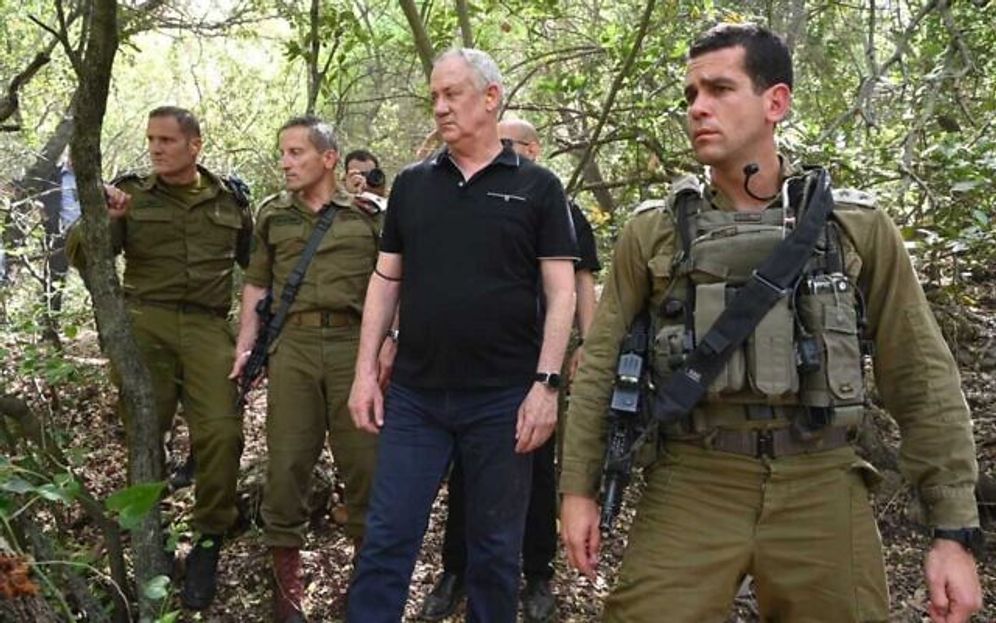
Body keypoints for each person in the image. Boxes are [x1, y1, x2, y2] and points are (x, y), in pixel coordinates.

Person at [560, 23, 983, 623]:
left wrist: (953, 531)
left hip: (822, 479)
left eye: (719, 89)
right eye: (690, 95)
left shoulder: (852, 228)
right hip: (693, 479)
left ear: (775, 102)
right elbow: (600, 363)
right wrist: (577, 489)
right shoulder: (651, 232)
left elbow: (919, 372)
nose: (698, 107)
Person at [346, 49, 578, 623]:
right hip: (417, 399)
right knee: (386, 540)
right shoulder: (413, 185)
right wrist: (364, 371)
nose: (440, 107)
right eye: (434, 97)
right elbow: (385, 281)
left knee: (495, 554)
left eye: (452, 94)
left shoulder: (539, 189)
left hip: (503, 401)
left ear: (491, 98)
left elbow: (563, 292)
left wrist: (546, 385)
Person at [66, 106, 253, 610]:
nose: (155, 148)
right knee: (145, 433)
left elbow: (259, 262)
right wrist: (102, 219)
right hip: (145, 321)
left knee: (222, 432)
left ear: (195, 145)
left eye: (167, 140)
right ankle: (152, 537)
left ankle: (209, 537)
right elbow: (85, 259)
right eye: (151, 139)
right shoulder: (132, 195)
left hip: (208, 325)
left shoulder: (230, 200)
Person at [418, 117, 601, 623]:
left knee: (539, 468)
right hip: (477, 365)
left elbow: (581, 281)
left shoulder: (561, 206)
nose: (500, 151)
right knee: (467, 472)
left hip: (541, 364)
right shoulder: (472, 200)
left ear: (534, 149)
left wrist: (589, 345)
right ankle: (455, 568)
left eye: (512, 144)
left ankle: (537, 572)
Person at [230, 115, 383, 623]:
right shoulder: (273, 216)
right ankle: (287, 593)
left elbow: (396, 281)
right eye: (283, 153)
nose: (285, 162)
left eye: (296, 152)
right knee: (288, 463)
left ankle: (366, 584)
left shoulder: (367, 216)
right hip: (291, 346)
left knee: (364, 462)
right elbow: (257, 285)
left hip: (353, 347)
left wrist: (392, 345)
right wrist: (246, 348)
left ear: (329, 159)